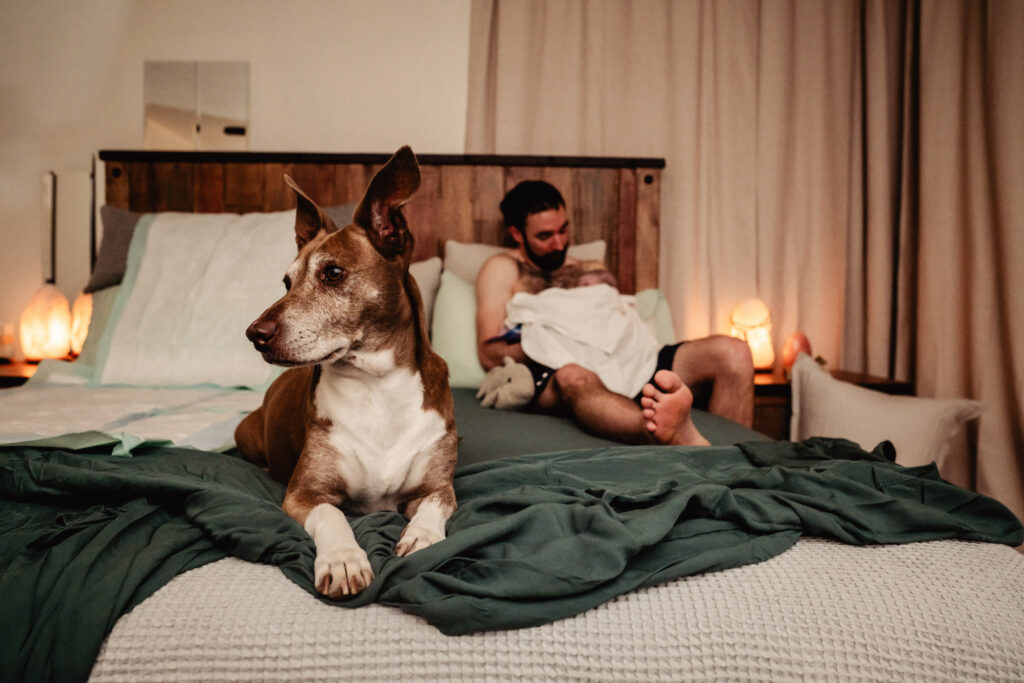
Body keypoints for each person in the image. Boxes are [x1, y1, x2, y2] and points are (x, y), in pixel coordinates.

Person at [475, 180, 754, 446]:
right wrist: (557, 342)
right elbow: (490, 353)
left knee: (733, 352)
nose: (559, 244)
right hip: (558, 369)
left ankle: (733, 458)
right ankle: (659, 430)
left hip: (628, 359)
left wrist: (595, 337)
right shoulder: (502, 268)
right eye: (545, 236)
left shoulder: (589, 268)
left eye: (563, 230)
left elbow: (613, 320)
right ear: (516, 234)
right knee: (573, 374)